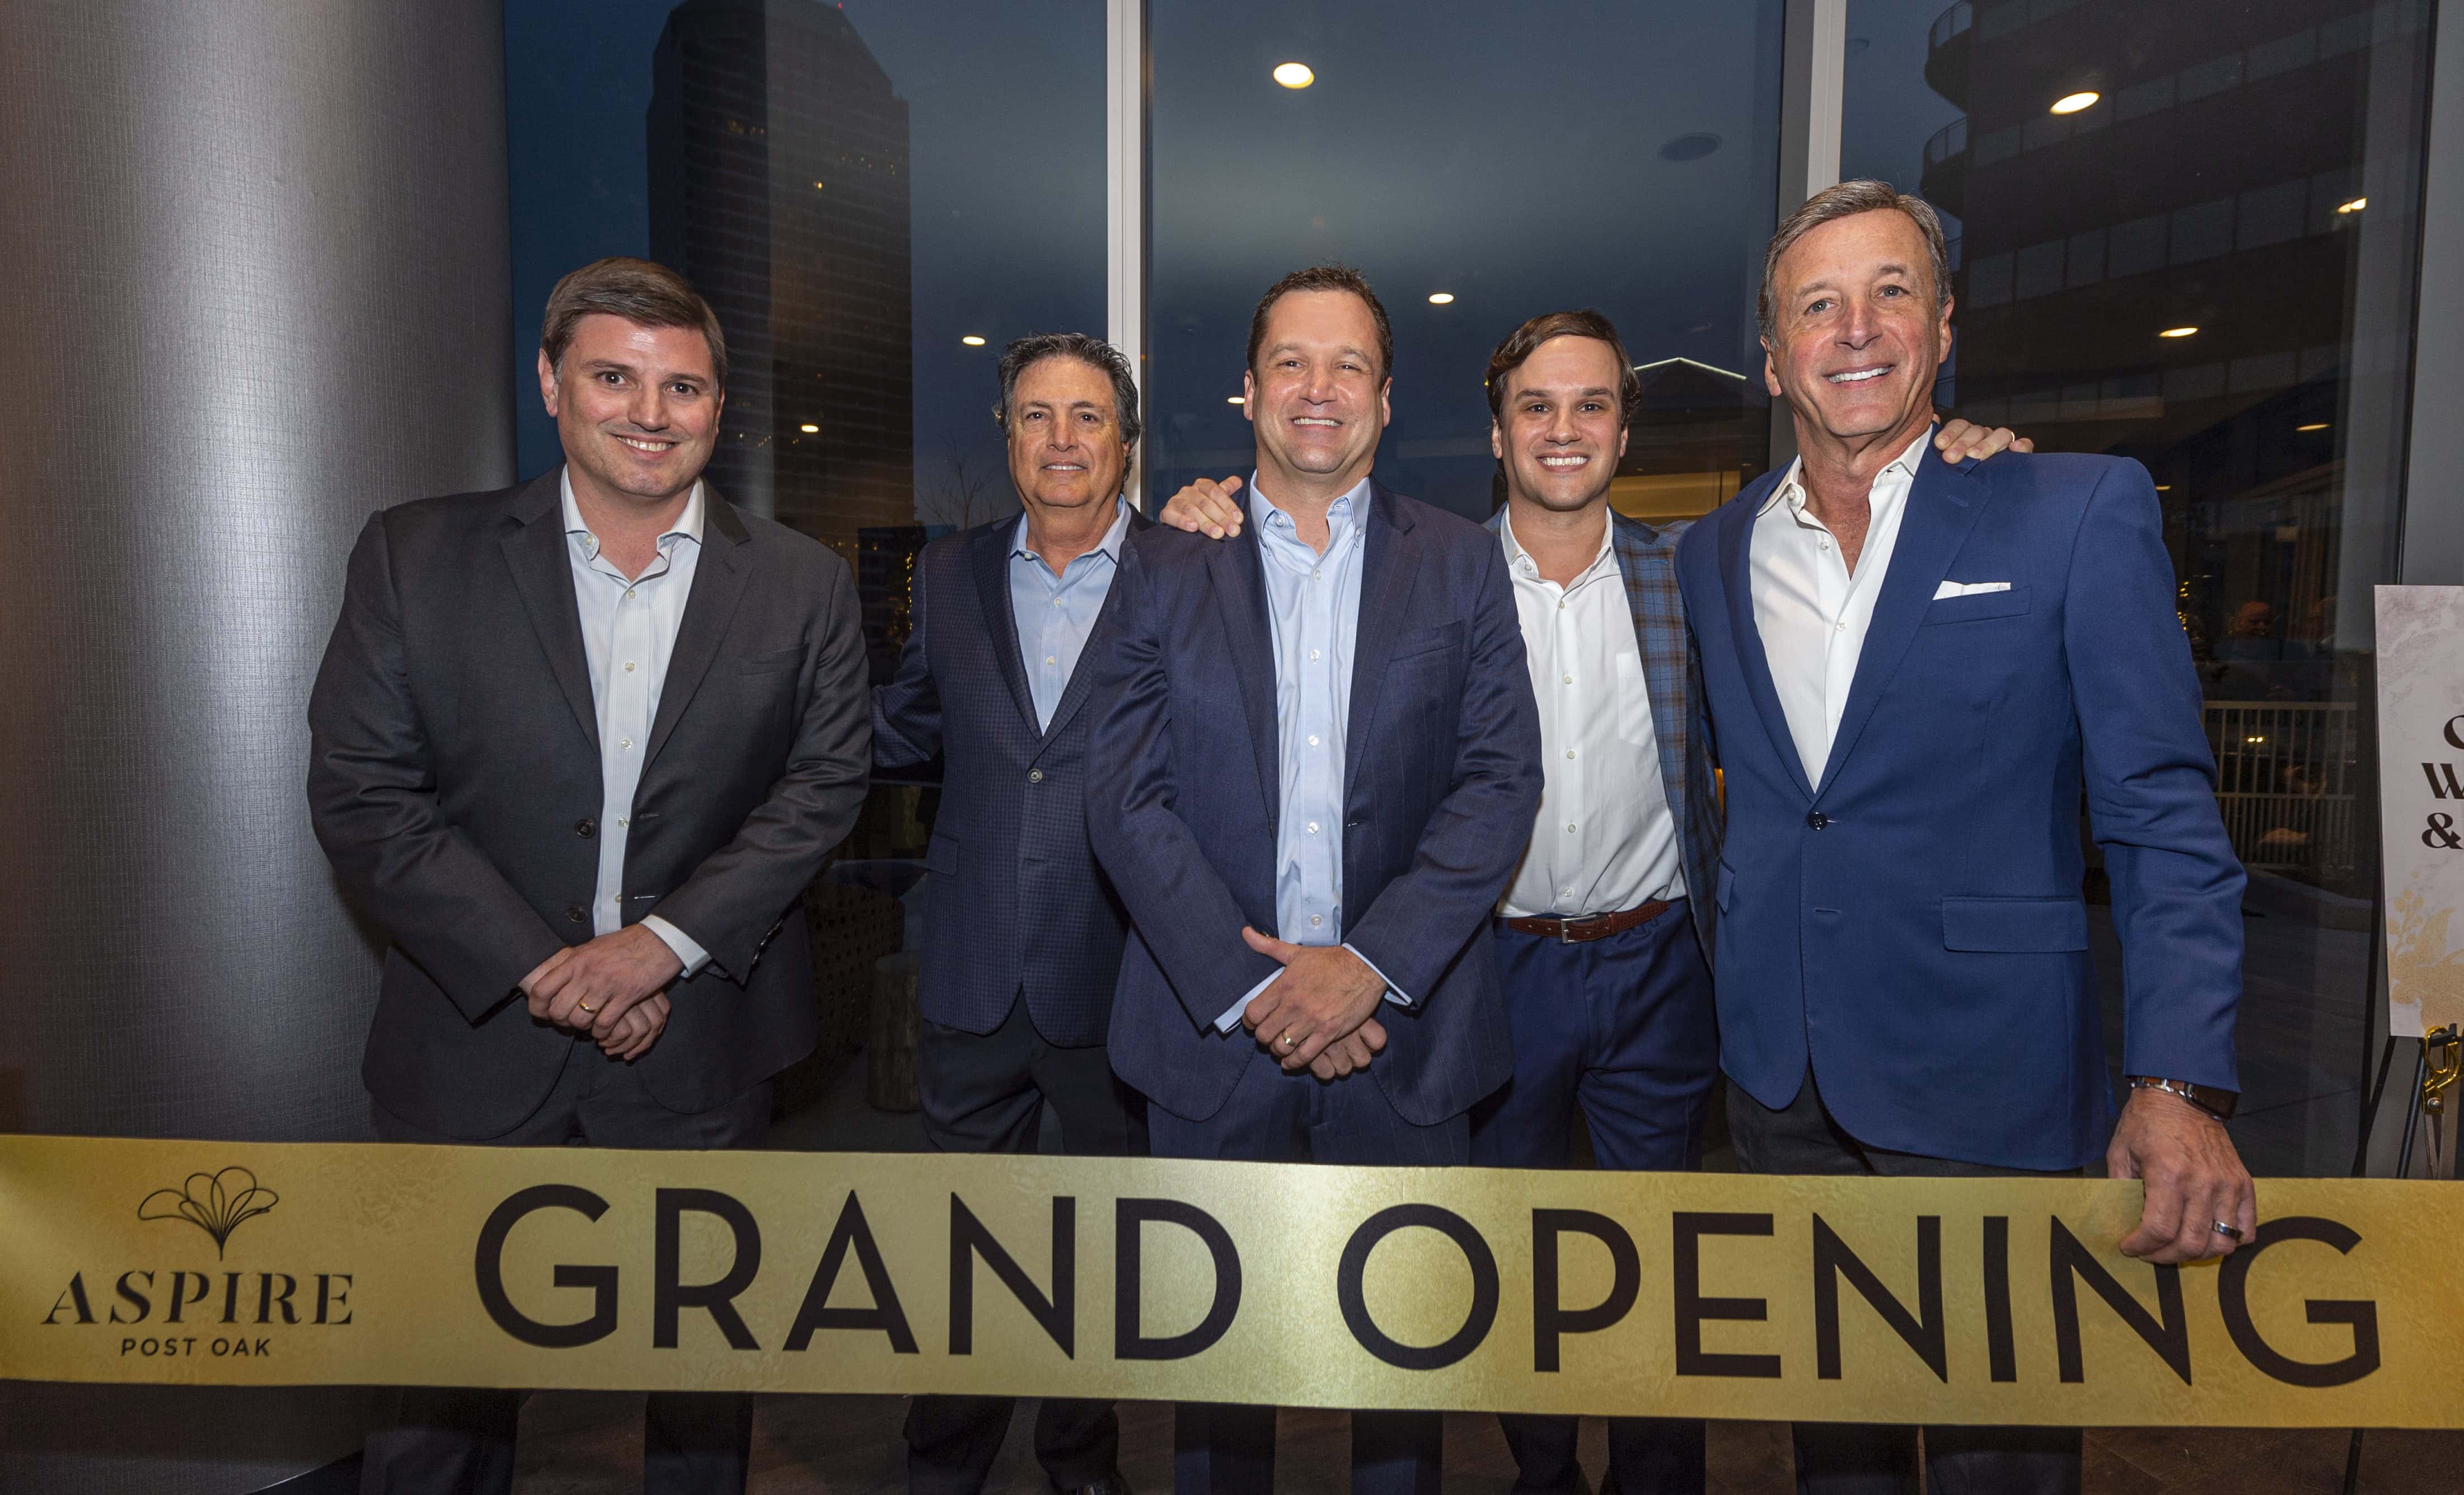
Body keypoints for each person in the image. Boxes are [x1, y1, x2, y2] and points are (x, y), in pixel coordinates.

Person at [1163, 314, 2022, 1495]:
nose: (1562, 429)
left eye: (1591, 405)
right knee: (1509, 1259)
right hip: (1487, 968)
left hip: (1657, 964)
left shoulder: (1699, 572)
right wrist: (1199, 508)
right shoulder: (1432, 575)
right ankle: (1543, 1472)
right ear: (1496, 430)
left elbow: (1850, 557)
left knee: (1658, 1262)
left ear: (1623, 430)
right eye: (1535, 405)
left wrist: (1961, 454)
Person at [1674, 180, 2252, 1494]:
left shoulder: (2069, 509)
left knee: (2003, 1454)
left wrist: (2175, 1081)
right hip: (1777, 1087)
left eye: (1890, 292)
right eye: (1815, 305)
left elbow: (2160, 814)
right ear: (1771, 354)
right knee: (1835, 1448)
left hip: (1988, 1074)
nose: (1853, 328)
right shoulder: (1713, 553)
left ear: (1941, 327)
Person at [307, 256, 870, 1495]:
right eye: (615, 378)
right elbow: (365, 794)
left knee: (699, 1396)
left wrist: (657, 951)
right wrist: (549, 969)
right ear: (552, 384)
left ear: (718, 408)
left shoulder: (802, 582)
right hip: (471, 1045)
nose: (650, 413)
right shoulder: (416, 555)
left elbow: (824, 788)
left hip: (701, 1047)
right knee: (438, 1402)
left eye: (684, 388)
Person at [1085, 265, 1541, 1495]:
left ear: (1385, 400)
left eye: (1349, 365)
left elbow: (1500, 782)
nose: (1318, 387)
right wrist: (1261, 992)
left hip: (1408, 1038)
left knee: (1402, 1380)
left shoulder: (1461, 561)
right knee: (1215, 1389)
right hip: (1209, 1041)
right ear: (1249, 389)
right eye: (1291, 360)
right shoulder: (1163, 561)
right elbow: (1122, 796)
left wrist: (1367, 971)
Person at [870, 332, 1145, 1495]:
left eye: (1087, 416)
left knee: (1106, 1253)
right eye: (1036, 416)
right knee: (962, 1249)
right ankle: (944, 1465)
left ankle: (1079, 1459)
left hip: (1124, 981)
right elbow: (905, 728)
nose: (1061, 440)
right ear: (1008, 435)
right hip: (973, 968)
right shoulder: (947, 575)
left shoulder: (1191, 571)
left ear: (1126, 441)